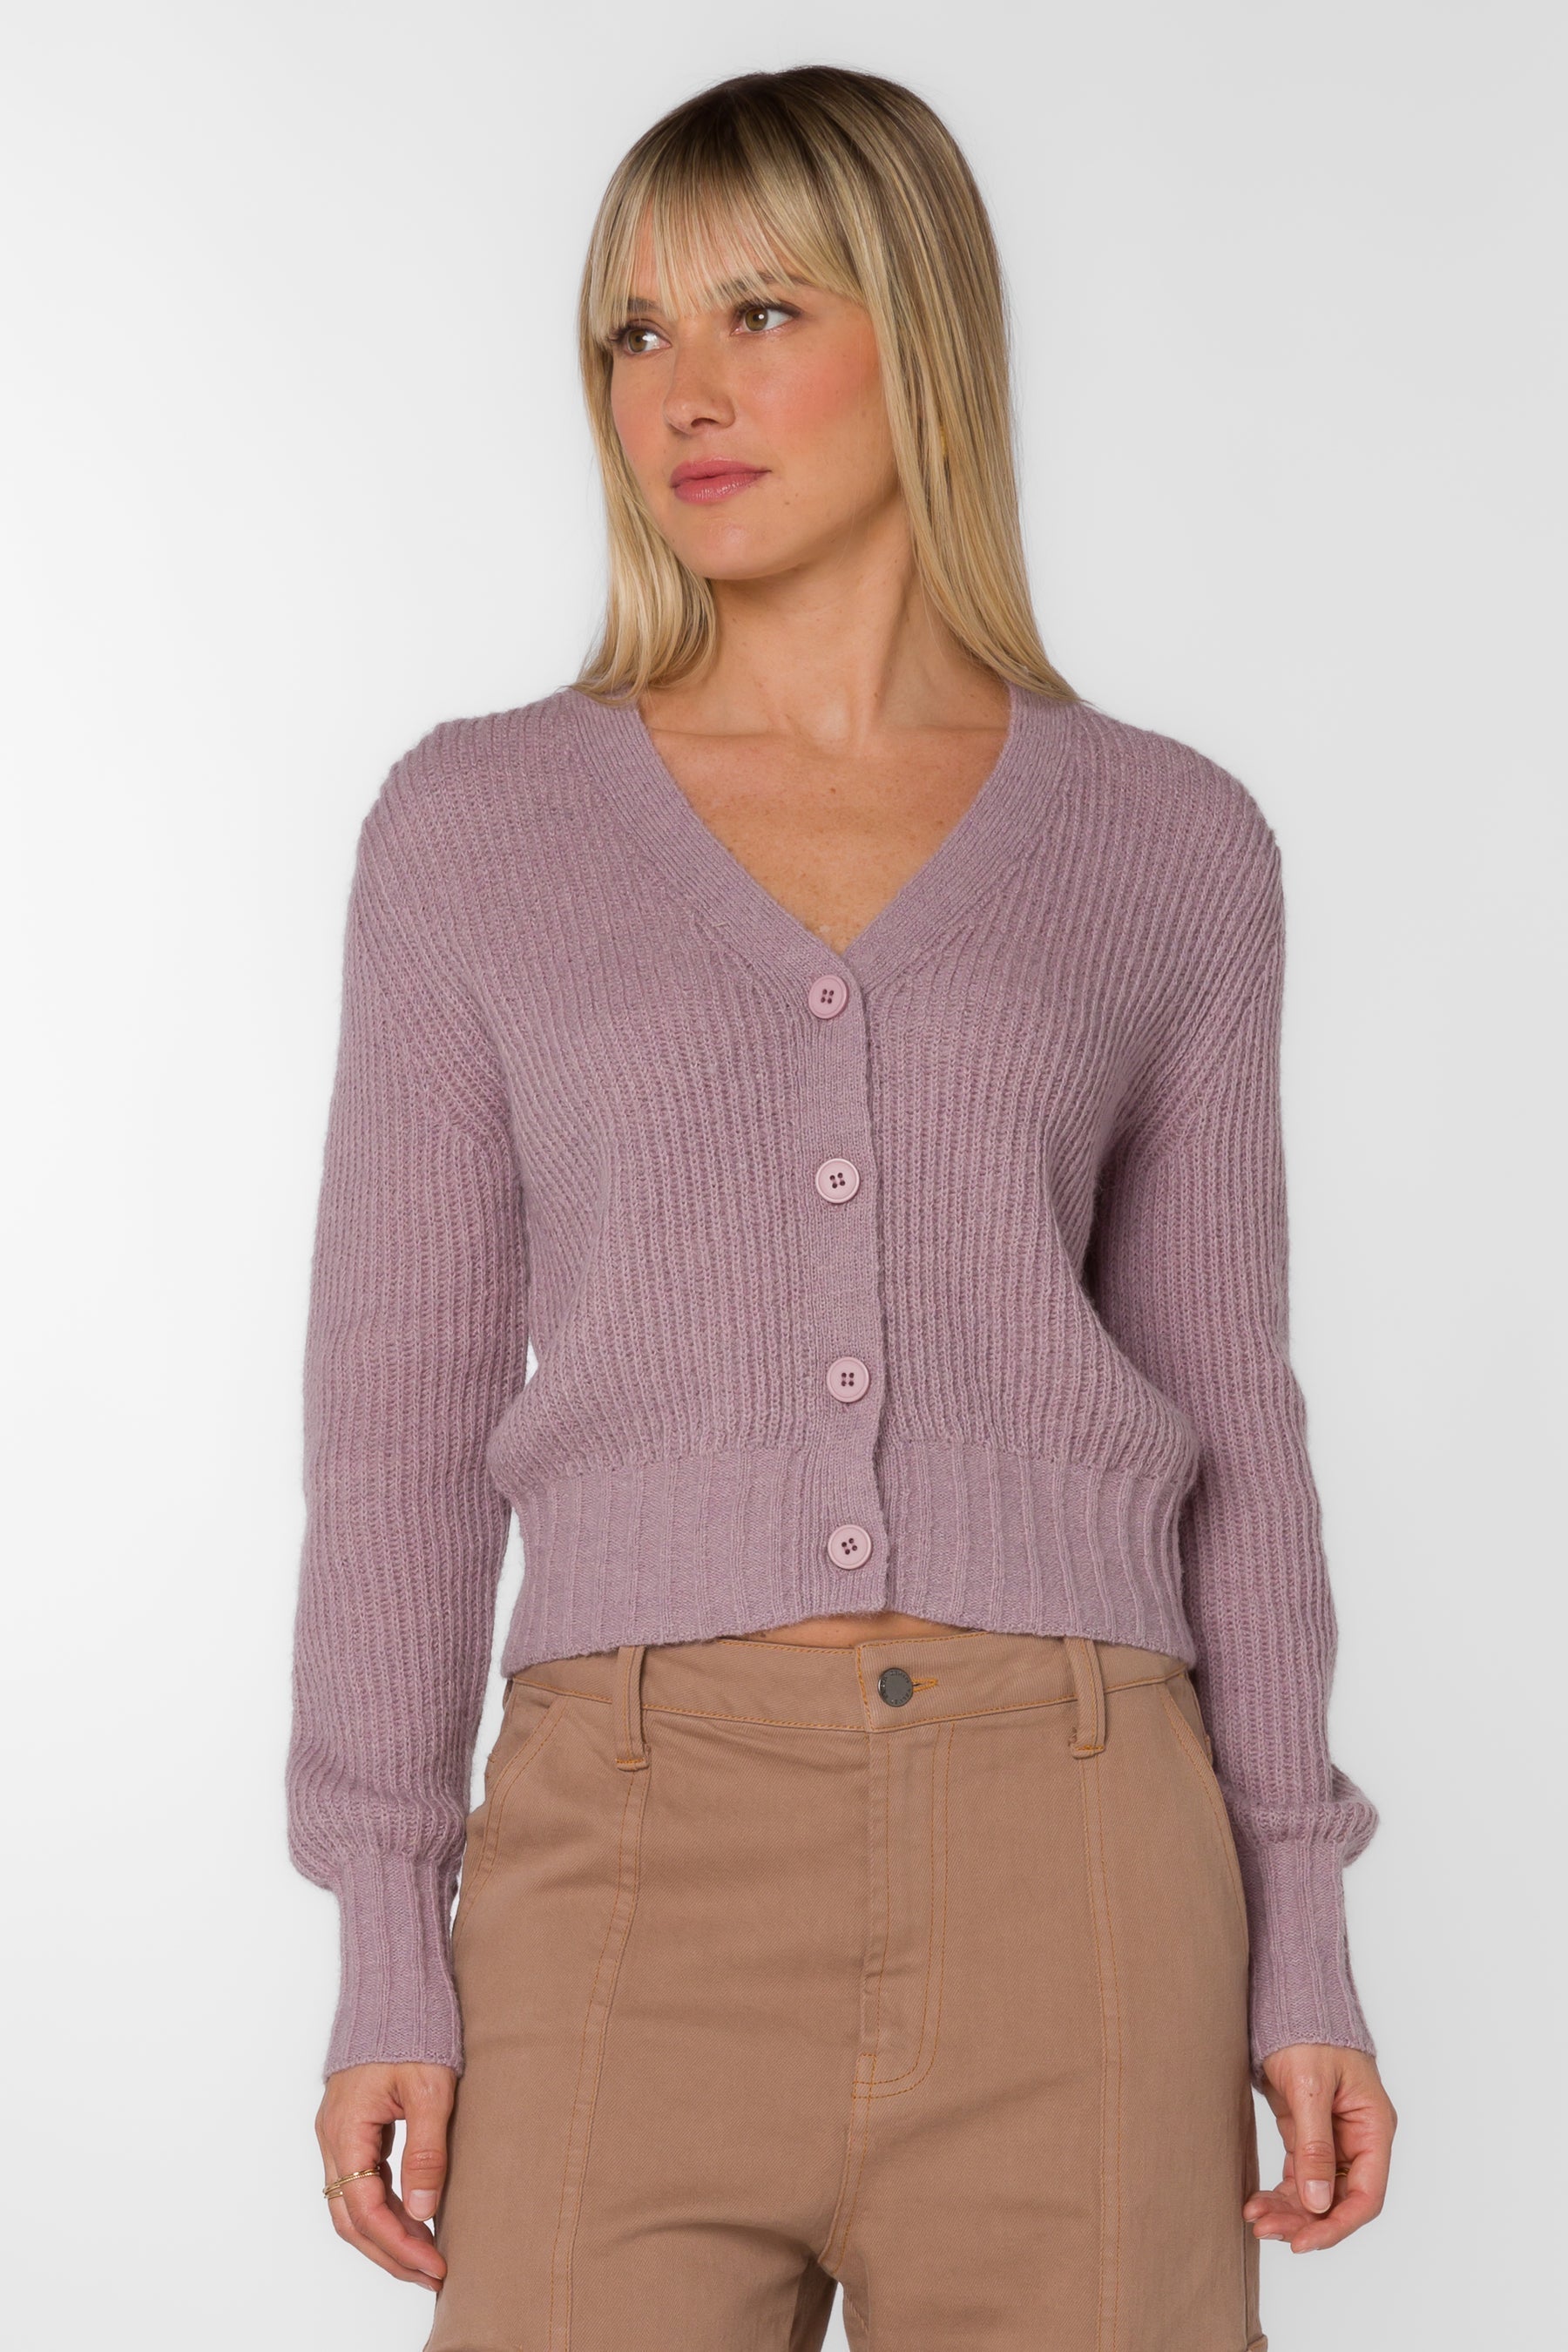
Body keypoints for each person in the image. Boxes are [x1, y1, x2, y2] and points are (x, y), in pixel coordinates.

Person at [287, 63, 1396, 2350]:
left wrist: (1303, 1921)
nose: (679, 394)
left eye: (761, 313)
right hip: (625, 1855)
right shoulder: (477, 832)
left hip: (1077, 1852)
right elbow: (396, 1419)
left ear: (927, 337)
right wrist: (389, 1922)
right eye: (632, 332)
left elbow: (1231, 1410)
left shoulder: (1168, 846)